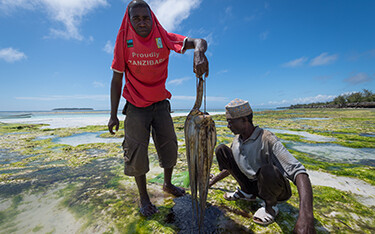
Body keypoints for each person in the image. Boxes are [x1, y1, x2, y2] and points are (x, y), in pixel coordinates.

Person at [107, 0, 209, 217]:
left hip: (160, 103)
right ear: (129, 20)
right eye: (137, 18)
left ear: (152, 18)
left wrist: (199, 52)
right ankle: (144, 198)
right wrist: (113, 115)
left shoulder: (162, 36)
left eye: (146, 18)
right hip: (135, 105)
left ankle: (168, 184)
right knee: (136, 153)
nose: (142, 22)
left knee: (169, 146)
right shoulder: (124, 41)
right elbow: (116, 79)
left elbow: (199, 41)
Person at [209, 99, 315, 233]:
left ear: (244, 120)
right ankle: (247, 193)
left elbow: (299, 172)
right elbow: (230, 168)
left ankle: (270, 207)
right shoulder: (237, 140)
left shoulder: (267, 138)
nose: (228, 126)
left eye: (231, 122)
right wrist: (212, 182)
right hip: (252, 184)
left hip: (274, 187)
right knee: (221, 150)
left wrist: (306, 217)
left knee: (267, 170)